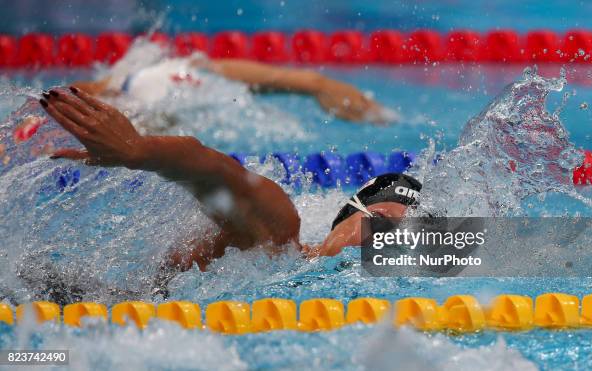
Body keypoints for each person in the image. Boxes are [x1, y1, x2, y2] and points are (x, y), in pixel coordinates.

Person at [38, 88, 421, 274]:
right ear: (344, 217)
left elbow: (475, 247)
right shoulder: (278, 234)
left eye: (404, 231)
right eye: (382, 217)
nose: (387, 233)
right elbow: (213, 169)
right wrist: (139, 150)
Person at [71, 53, 391, 124]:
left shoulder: (142, 96)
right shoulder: (143, 72)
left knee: (315, 84)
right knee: (314, 83)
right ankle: (385, 116)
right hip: (203, 75)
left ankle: (382, 116)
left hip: (204, 80)